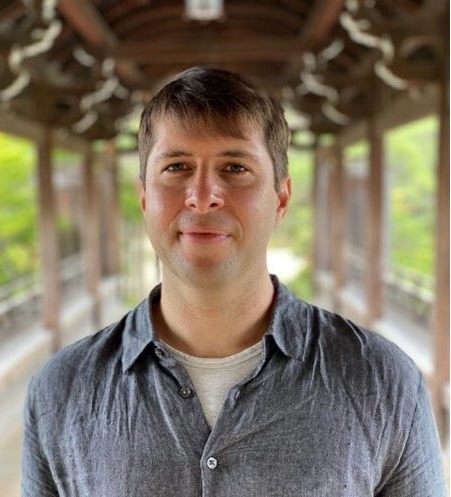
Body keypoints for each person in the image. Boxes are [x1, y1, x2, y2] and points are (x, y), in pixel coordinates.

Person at [22, 67, 447, 497]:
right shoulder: (62, 391)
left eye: (235, 167)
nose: (203, 195)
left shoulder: (382, 382)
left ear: (281, 200)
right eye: (177, 166)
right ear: (145, 198)